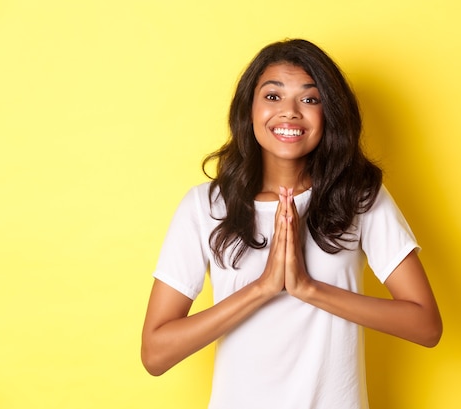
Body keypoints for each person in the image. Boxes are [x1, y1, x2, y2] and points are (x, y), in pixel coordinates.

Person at [141, 38, 442, 409]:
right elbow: (155, 354)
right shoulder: (204, 206)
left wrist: (308, 288)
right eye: (272, 96)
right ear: (247, 109)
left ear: (329, 113)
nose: (289, 112)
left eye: (310, 99)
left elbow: (426, 326)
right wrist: (263, 288)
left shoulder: (359, 198)